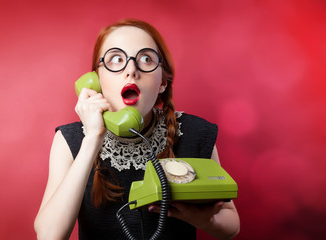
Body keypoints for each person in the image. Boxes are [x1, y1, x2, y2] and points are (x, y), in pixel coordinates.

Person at [34, 19, 240, 240]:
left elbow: (232, 224)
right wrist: (92, 137)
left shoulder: (195, 132)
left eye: (145, 59)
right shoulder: (70, 140)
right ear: (95, 79)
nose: (131, 70)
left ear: (162, 82)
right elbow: (49, 236)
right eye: (115, 59)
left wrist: (205, 220)